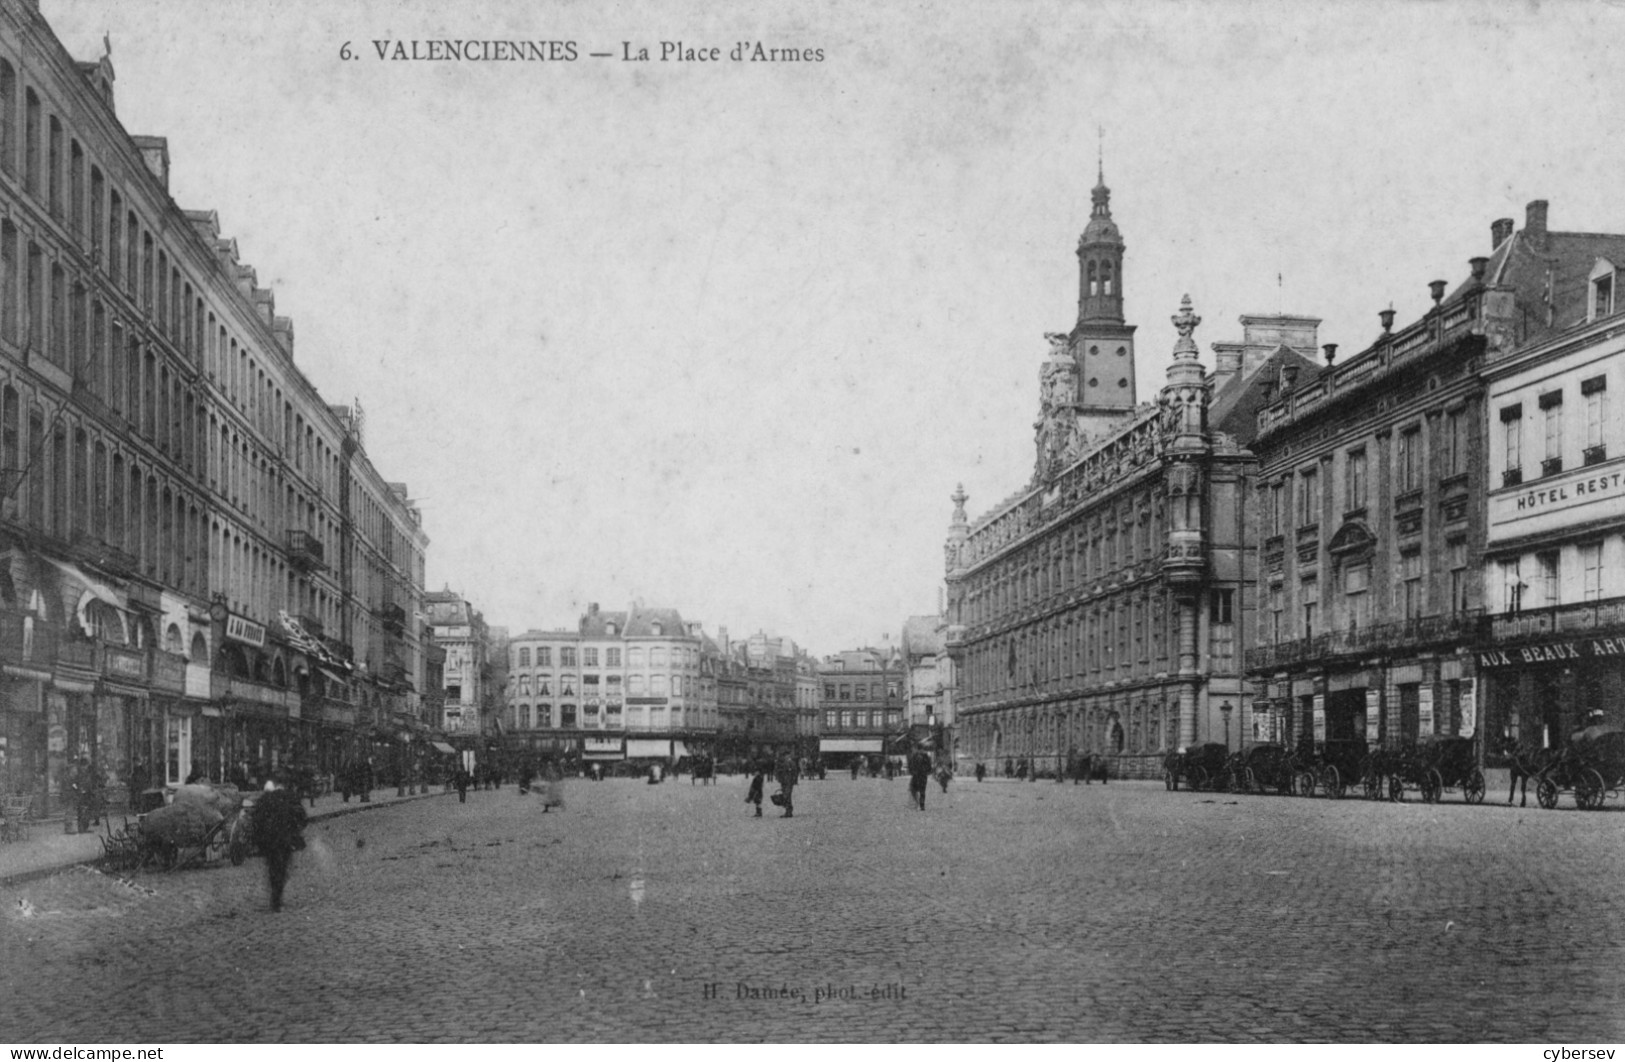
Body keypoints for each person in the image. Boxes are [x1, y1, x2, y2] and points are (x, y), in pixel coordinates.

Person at [254, 775, 308, 913]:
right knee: (282, 867)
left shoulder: (264, 799)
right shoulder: (290, 798)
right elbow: (302, 817)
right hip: (285, 839)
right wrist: (295, 830)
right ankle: (277, 897)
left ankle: (275, 896)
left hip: (269, 840)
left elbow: (256, 819)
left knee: (273, 866)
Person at [774, 751, 800, 818]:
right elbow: (778, 771)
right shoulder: (783, 763)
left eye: (787, 755)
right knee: (786, 796)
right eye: (785, 756)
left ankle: (788, 811)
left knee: (787, 795)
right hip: (784, 781)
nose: (786, 757)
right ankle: (788, 811)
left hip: (788, 781)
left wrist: (794, 780)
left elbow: (795, 772)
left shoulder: (791, 762)